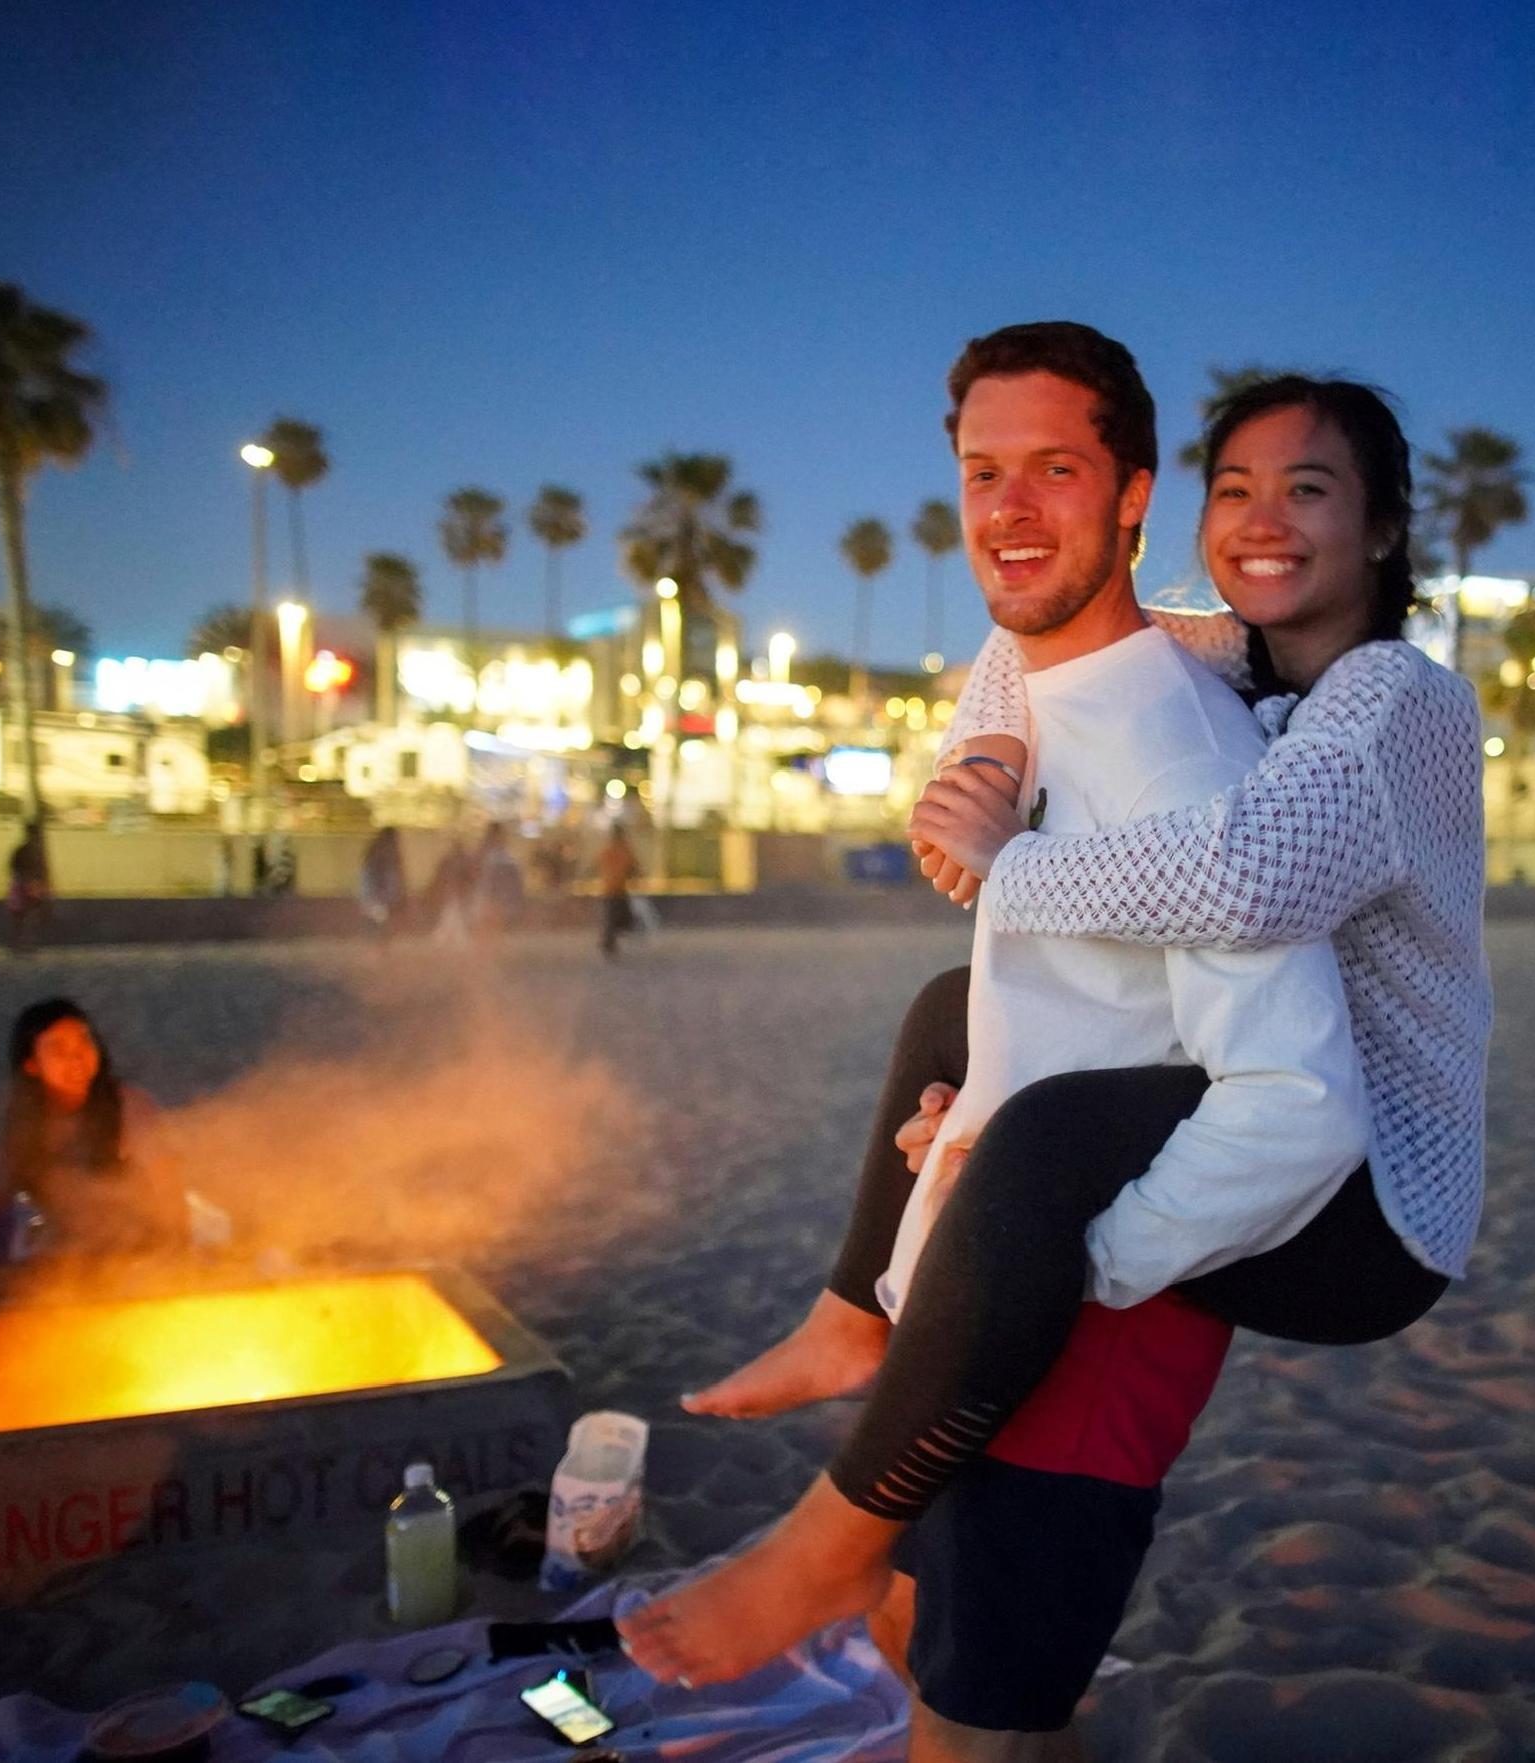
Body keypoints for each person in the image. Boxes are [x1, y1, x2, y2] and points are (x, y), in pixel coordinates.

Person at [625, 330, 1426, 1755]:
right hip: (991, 1283)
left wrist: (1037, 1233)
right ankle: (847, 1327)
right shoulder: (1066, 699)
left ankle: (827, 1530)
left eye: (1054, 469)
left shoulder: (1198, 756)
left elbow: (1295, 1101)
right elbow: (1065, 985)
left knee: (971, 1712)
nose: (1007, 506)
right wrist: (971, 1150)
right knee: (919, 1639)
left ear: (1129, 496)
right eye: (982, 471)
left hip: (1101, 1323)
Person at [0, 999, 188, 1265]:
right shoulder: (21, 1127)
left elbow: (170, 1195)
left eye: (84, 1041)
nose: (76, 1057)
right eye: (58, 1049)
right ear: (32, 1065)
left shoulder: (129, 1106)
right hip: (61, 1260)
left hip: (137, 1255)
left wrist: (177, 1255)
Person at [6, 820, 53, 950]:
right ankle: (24, 942)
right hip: (30, 885)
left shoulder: (22, 850)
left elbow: (12, 866)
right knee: (27, 915)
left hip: (25, 884)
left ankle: (20, 942)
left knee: (22, 915)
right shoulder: (33, 851)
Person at [357, 824, 407, 941]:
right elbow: (372, 882)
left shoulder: (382, 856)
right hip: (378, 899)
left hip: (381, 899)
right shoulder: (380, 858)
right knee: (380, 927)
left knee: (381, 927)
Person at [597, 822, 640, 958]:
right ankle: (608, 941)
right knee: (618, 918)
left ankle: (609, 942)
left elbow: (598, 864)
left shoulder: (607, 850)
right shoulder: (624, 849)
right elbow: (633, 866)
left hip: (609, 889)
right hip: (618, 889)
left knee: (613, 917)